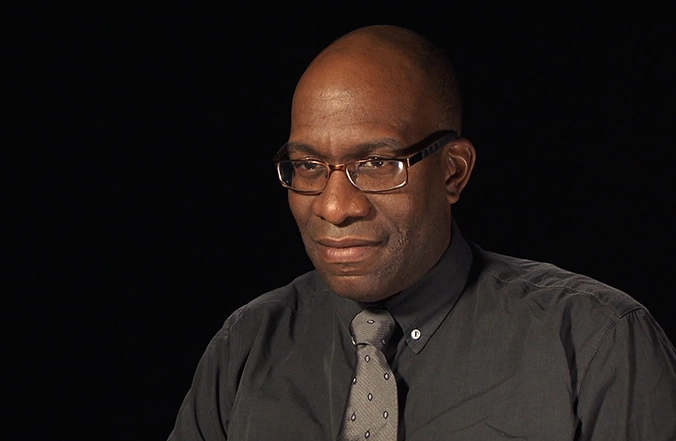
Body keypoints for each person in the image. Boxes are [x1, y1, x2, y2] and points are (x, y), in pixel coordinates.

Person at [168, 25, 676, 440]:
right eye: (307, 166)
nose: (335, 206)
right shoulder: (246, 347)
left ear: (453, 172)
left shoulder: (597, 343)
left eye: (376, 163)